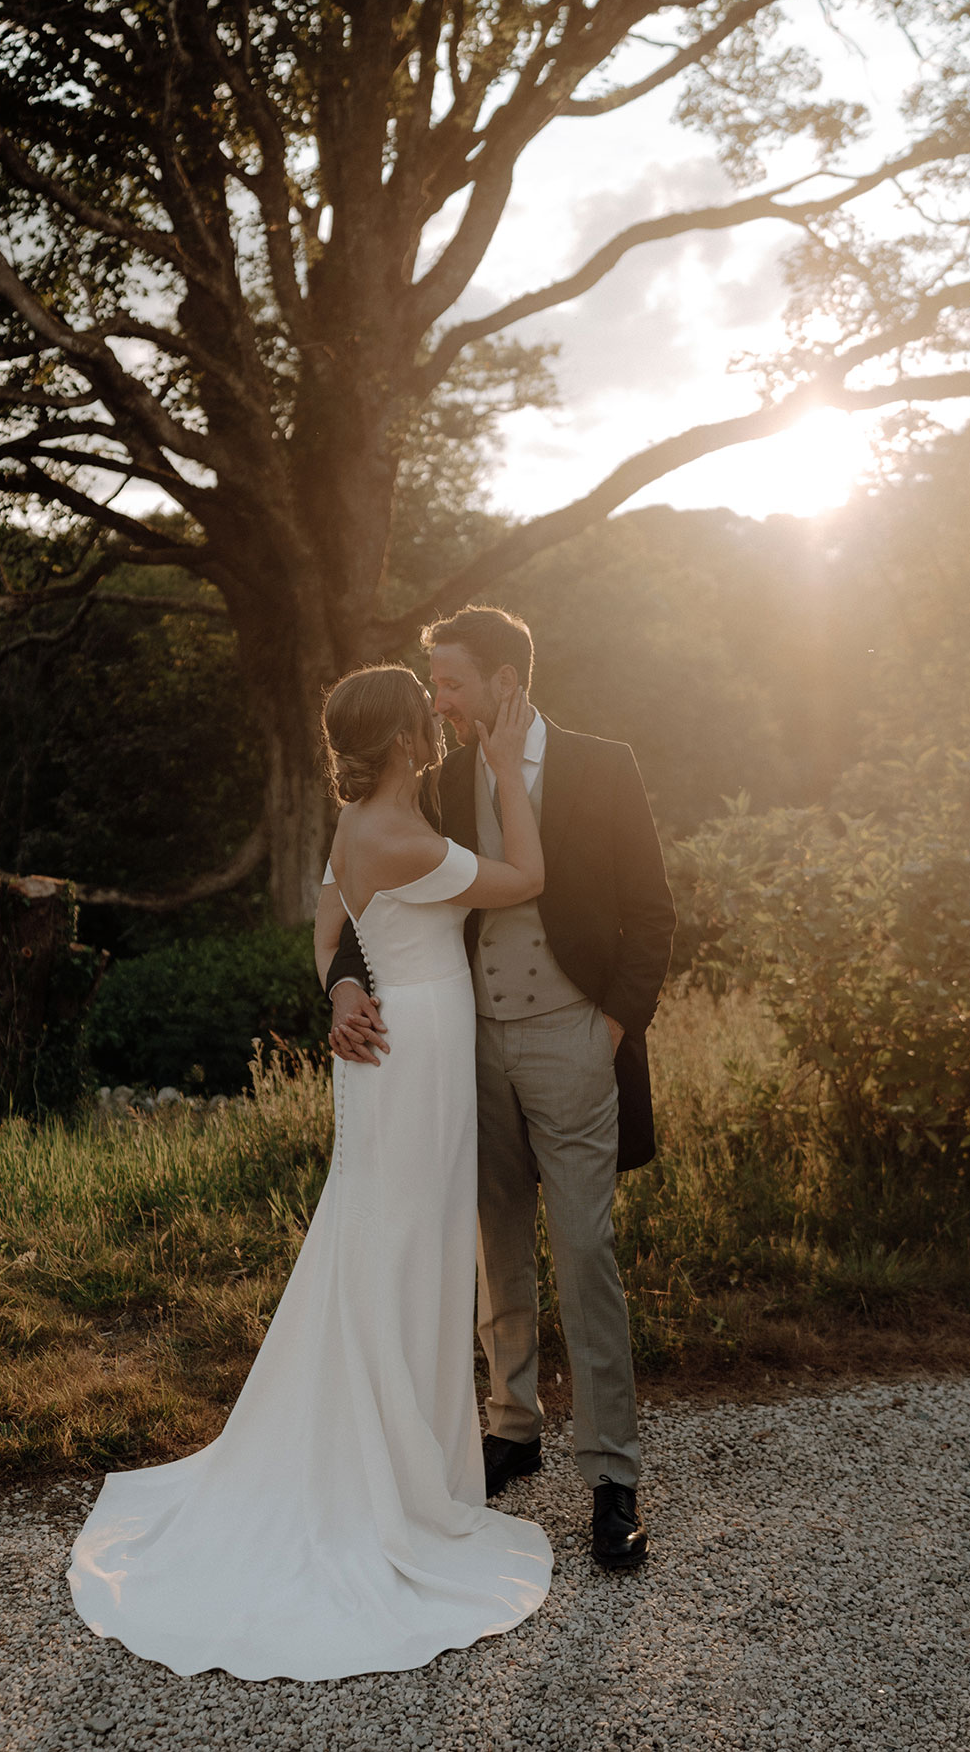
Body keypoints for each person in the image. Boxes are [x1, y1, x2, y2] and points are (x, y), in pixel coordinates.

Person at [67, 665, 553, 1681]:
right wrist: (507, 772)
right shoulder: (404, 837)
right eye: (425, 721)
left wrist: (338, 992)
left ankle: (398, 1448)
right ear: (400, 744)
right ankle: (393, 1477)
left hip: (389, 1050)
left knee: (383, 1236)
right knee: (406, 1244)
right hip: (412, 1054)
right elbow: (527, 881)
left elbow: (331, 935)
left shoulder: (352, 832)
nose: (438, 725)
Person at [328, 607, 676, 1571]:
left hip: (574, 1038)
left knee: (585, 1246)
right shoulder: (435, 784)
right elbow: (353, 893)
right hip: (467, 1047)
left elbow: (653, 914)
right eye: (433, 685)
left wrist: (608, 1026)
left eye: (449, 682)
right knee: (495, 1243)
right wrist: (344, 982)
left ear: (504, 681)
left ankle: (612, 1476)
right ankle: (511, 1430)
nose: (436, 700)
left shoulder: (603, 764)